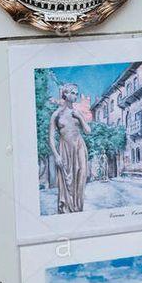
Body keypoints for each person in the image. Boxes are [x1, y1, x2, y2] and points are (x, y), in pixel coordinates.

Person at [49, 83, 90, 214]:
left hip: (79, 146)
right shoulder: (56, 114)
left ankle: (79, 207)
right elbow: (50, 138)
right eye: (73, 93)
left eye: (77, 94)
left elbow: (88, 131)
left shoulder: (77, 112)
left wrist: (79, 117)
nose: (75, 96)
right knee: (68, 180)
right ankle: (68, 207)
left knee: (82, 175)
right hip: (65, 148)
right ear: (65, 94)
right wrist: (56, 155)